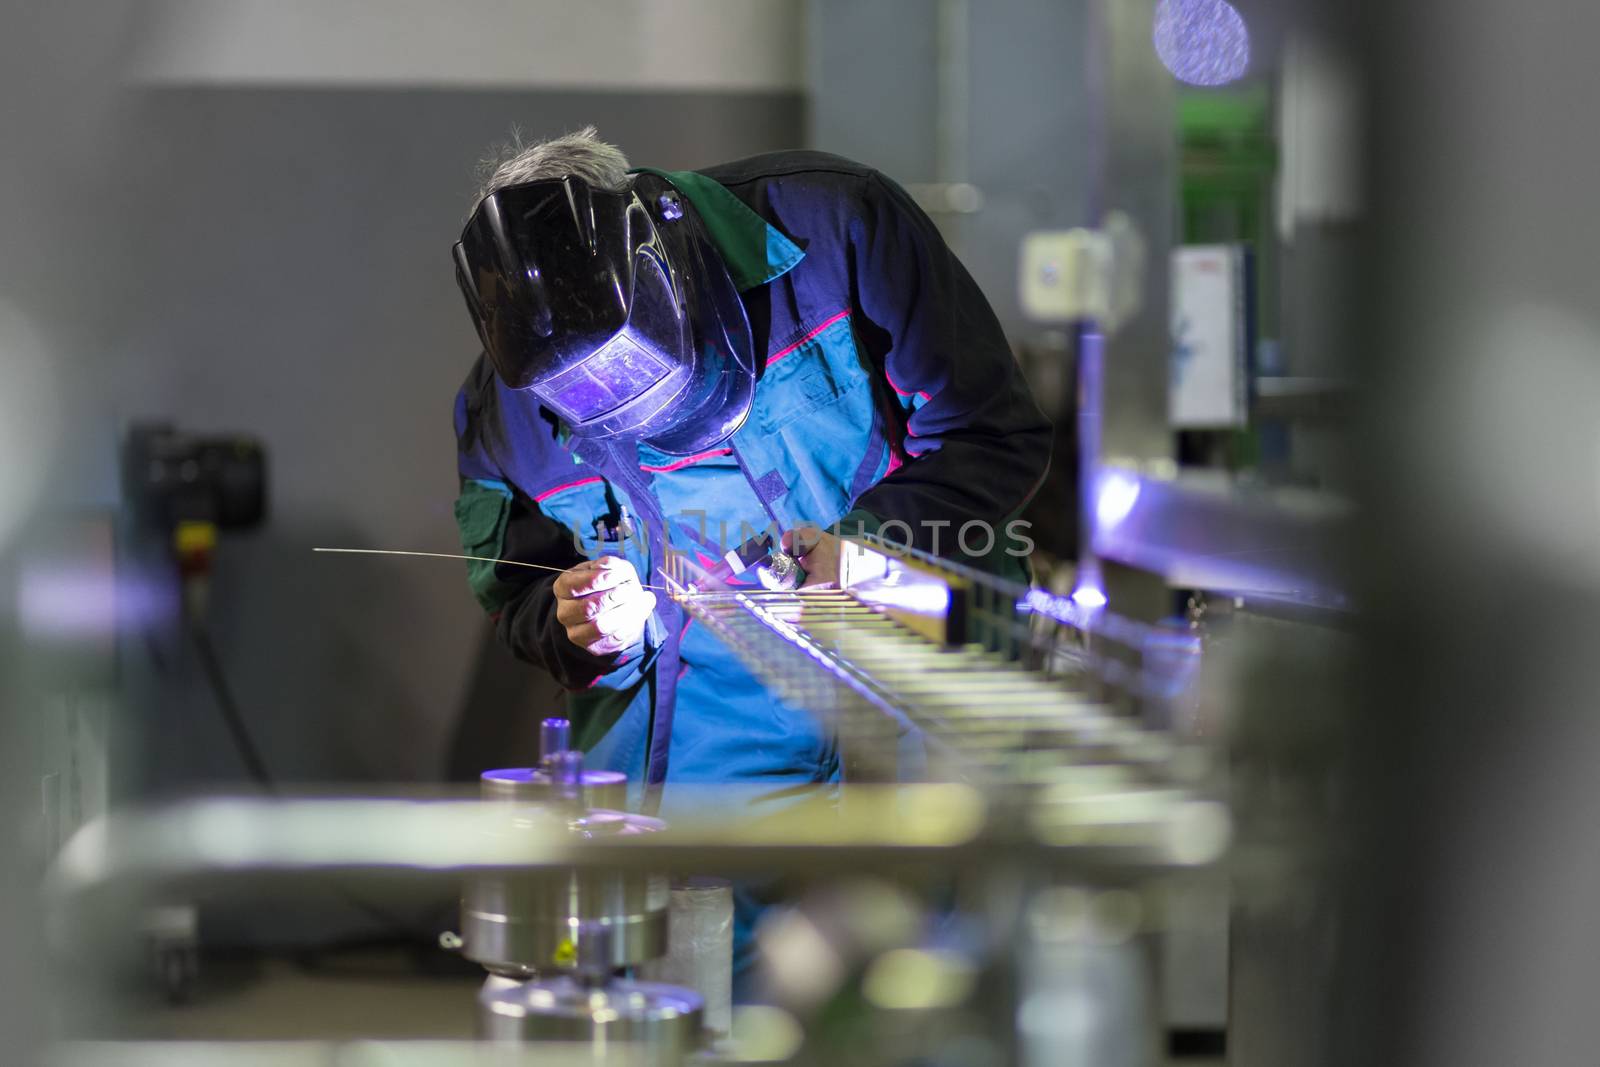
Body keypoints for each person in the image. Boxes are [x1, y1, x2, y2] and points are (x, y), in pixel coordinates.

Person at [450, 127, 1049, 986]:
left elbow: (996, 433)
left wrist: (868, 550)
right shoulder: (504, 417)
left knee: (929, 997)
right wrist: (580, 622)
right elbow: (516, 593)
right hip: (702, 759)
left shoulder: (835, 231)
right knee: (707, 1006)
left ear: (666, 253)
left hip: (908, 709)